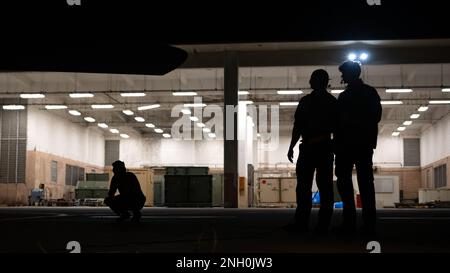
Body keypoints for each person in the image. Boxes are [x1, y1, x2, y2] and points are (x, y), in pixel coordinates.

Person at [285, 69, 338, 234]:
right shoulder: (332, 102)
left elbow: (298, 127)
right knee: (325, 188)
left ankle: (301, 223)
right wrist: (334, 147)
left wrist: (291, 146)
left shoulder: (305, 101)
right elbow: (338, 128)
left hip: (308, 148)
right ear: (326, 82)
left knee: (303, 187)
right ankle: (323, 226)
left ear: (312, 82)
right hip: (324, 148)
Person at [334, 61, 382, 238]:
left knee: (347, 185)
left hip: (349, 145)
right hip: (362, 144)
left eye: (344, 73)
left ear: (350, 74)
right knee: (365, 185)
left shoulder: (345, 97)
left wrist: (350, 123)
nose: (342, 77)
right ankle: (368, 225)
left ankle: (350, 223)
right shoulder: (369, 92)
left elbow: (339, 123)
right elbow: (376, 116)